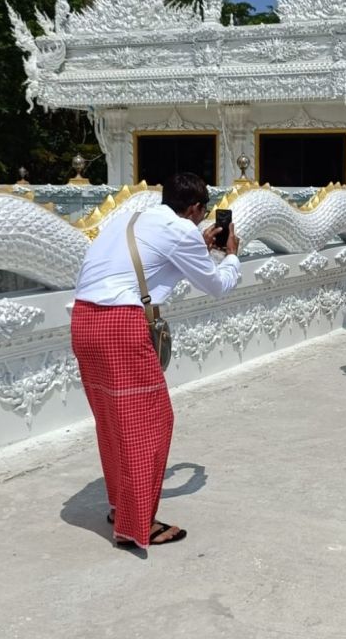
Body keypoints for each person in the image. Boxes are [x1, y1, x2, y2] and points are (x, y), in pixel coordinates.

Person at [71, 172, 241, 550]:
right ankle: (136, 525)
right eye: (203, 211)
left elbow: (152, 260)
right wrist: (231, 254)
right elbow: (217, 285)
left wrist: (198, 243)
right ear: (195, 209)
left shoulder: (130, 218)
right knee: (150, 422)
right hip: (119, 324)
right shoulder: (181, 232)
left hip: (83, 319)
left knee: (113, 421)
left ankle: (122, 507)